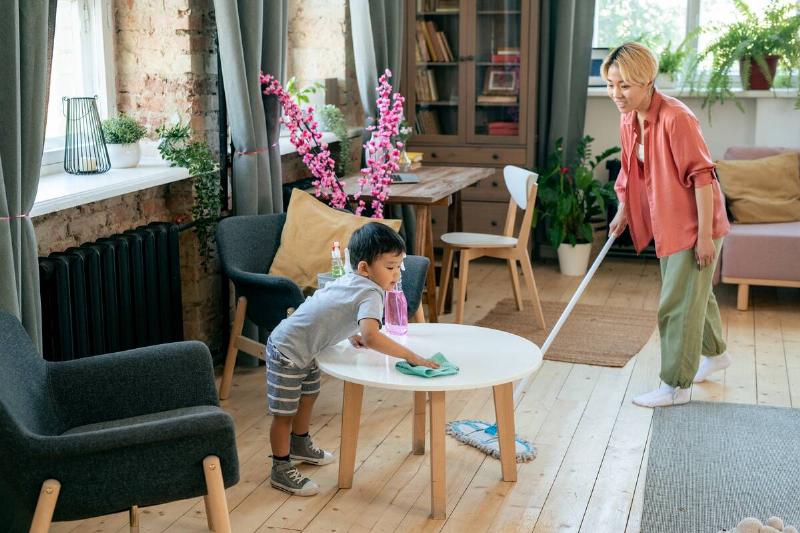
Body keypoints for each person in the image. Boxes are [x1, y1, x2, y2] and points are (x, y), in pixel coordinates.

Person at [602, 42, 732, 408]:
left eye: (625, 85)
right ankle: (716, 354)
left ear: (647, 81)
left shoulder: (677, 118)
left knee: (677, 303)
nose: (616, 94)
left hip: (694, 225)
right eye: (611, 84)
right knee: (694, 294)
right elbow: (631, 170)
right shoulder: (629, 118)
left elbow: (703, 178)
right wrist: (623, 209)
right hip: (668, 221)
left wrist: (704, 237)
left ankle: (676, 386)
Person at [265, 222, 439, 495]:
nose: (396, 274)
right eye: (390, 267)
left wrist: (350, 333)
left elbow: (333, 309)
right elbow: (372, 336)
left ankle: (299, 443)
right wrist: (410, 356)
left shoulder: (353, 279)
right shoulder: (371, 292)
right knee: (284, 413)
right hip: (287, 351)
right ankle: (280, 467)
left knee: (308, 396)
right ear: (364, 268)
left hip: (306, 347)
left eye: (399, 266)